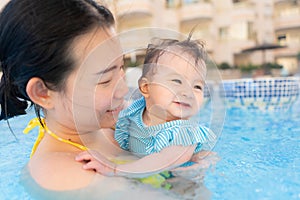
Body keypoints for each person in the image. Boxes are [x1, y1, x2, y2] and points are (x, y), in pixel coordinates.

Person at [0, 0, 215, 198]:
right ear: (43, 93)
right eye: (105, 79)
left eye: (121, 68)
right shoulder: (62, 174)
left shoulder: (116, 123)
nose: (123, 89)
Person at [76, 37, 216, 185]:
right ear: (146, 88)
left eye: (197, 87)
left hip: (181, 181)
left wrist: (115, 169)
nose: (188, 92)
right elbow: (110, 108)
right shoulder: (136, 109)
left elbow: (163, 160)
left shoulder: (185, 133)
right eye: (176, 81)